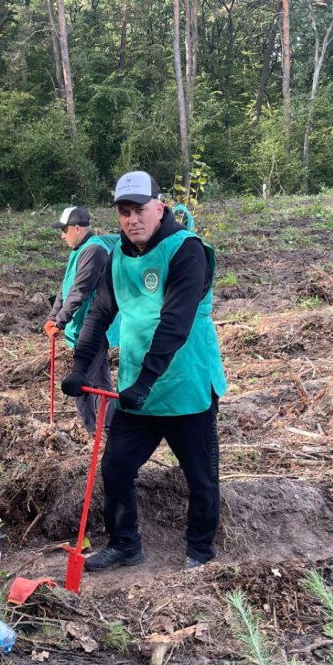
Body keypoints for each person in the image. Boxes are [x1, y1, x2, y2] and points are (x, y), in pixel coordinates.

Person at [61, 171, 226, 571]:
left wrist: (146, 381)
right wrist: (81, 366)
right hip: (137, 391)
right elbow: (100, 312)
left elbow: (175, 323)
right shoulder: (117, 255)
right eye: (124, 212)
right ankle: (125, 545)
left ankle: (200, 552)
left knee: (200, 475)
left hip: (185, 384)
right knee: (116, 467)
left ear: (159, 207)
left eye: (139, 210)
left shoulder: (186, 250)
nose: (132, 219)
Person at [44, 206, 117, 434]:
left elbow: (80, 291)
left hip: (93, 328)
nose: (62, 236)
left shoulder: (94, 251)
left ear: (77, 228)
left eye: (64, 230)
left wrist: (60, 322)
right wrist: (53, 317)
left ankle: (91, 431)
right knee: (101, 379)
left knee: (81, 381)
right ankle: (107, 426)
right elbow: (65, 287)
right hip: (81, 327)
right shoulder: (79, 249)